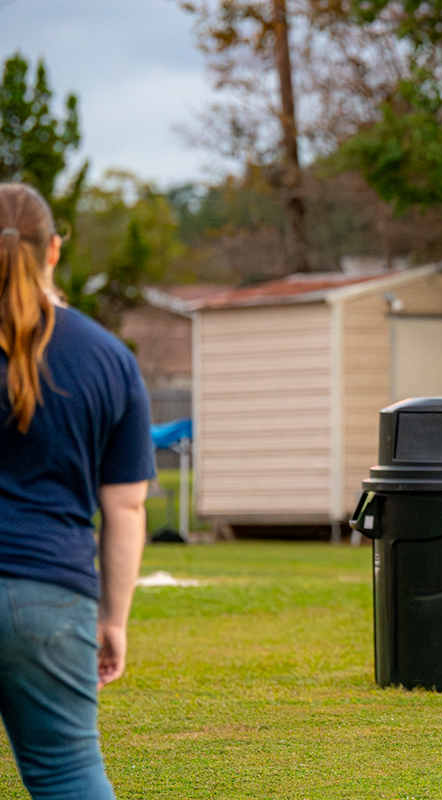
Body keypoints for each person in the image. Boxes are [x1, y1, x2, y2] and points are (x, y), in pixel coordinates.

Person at [0, 183, 155, 798]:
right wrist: (113, 619)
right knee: (69, 776)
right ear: (54, 250)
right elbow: (126, 506)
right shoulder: (108, 358)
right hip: (51, 597)